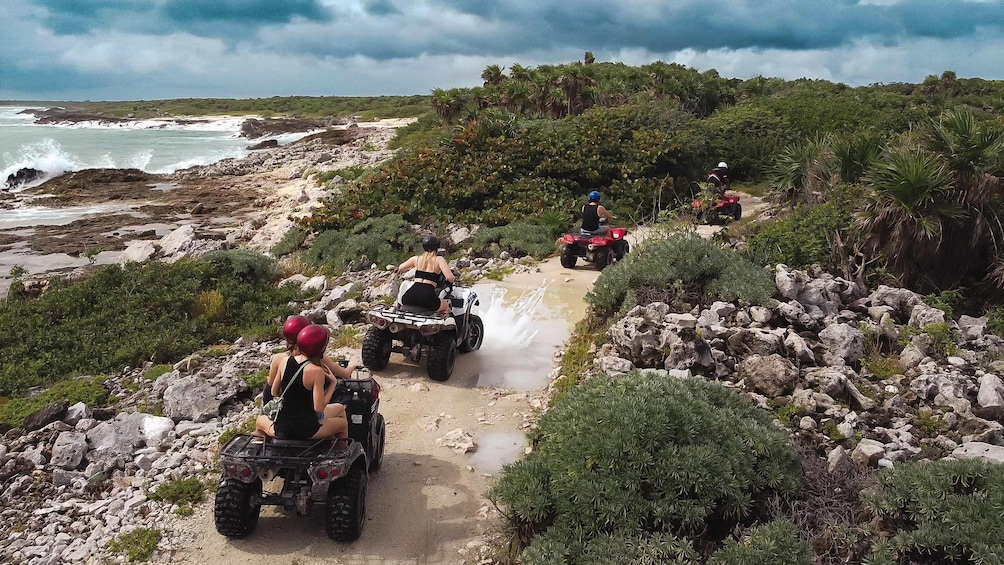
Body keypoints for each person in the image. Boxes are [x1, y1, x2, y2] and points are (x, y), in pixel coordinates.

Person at [255, 324, 348, 440]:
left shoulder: (284, 361)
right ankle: (340, 454)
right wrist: (333, 384)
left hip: (281, 427)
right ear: (321, 348)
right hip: (307, 430)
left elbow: (274, 391)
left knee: (259, 421)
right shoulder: (316, 371)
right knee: (342, 424)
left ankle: (256, 450)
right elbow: (319, 409)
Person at [263, 315, 357, 403]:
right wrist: (353, 364)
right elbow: (345, 374)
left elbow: (270, 388)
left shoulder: (279, 358)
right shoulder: (316, 359)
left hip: (279, 405)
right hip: (305, 408)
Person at [397, 235, 455, 315]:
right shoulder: (439, 260)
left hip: (409, 296)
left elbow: (401, 268)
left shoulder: (416, 259)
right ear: (437, 248)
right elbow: (450, 277)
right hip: (427, 297)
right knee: (445, 306)